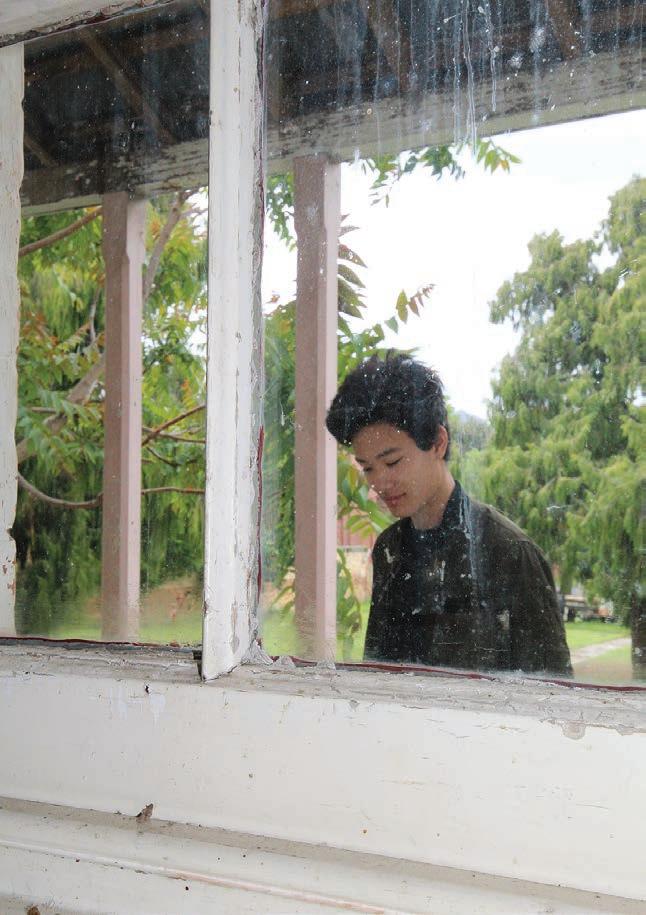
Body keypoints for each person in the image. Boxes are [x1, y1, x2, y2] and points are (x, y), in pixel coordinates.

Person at [325, 353, 572, 676]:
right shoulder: (389, 549)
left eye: (392, 462)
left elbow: (554, 690)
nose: (380, 483)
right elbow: (378, 673)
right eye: (367, 468)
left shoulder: (509, 552)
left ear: (438, 443)